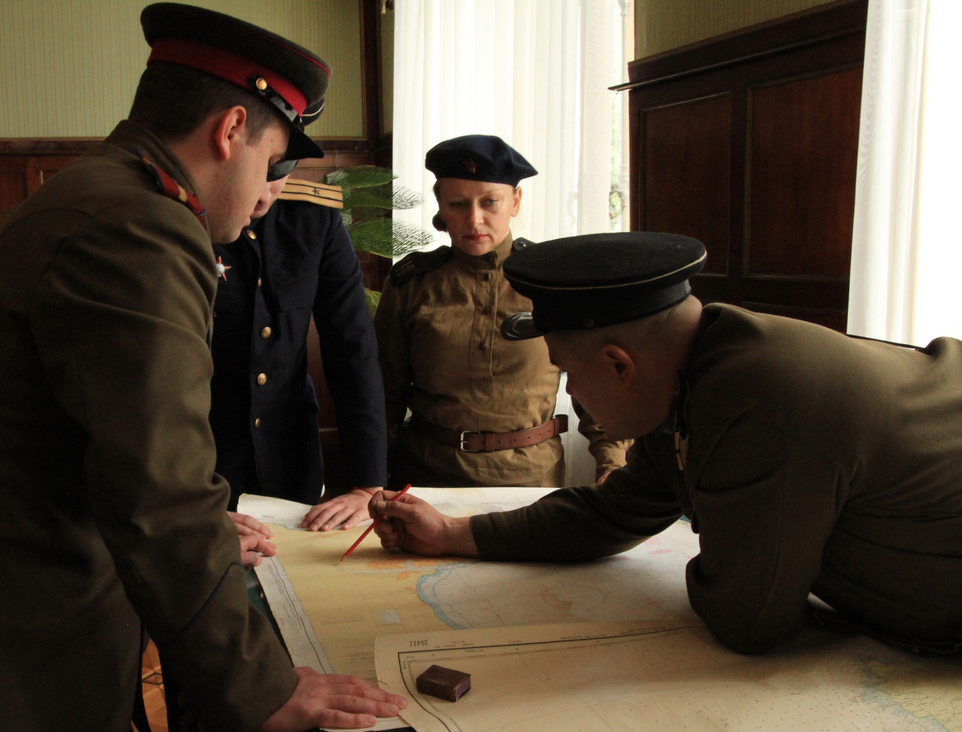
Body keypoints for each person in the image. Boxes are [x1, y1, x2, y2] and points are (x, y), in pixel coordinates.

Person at [0, 5, 404, 732]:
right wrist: (262, 686)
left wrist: (184, 516)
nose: (268, 193)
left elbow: (76, 444)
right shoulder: (141, 227)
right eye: (271, 161)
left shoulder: (99, 192)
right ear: (232, 129)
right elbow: (158, 488)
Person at [368, 231, 962, 657]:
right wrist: (452, 534)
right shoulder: (702, 370)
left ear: (619, 364)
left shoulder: (759, 399)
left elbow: (749, 619)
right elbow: (615, 510)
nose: (572, 393)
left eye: (568, 373)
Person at [373, 134, 628, 489]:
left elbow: (597, 387)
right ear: (440, 206)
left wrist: (612, 465)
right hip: (427, 477)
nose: (474, 220)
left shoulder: (554, 282)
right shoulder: (413, 284)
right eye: (458, 204)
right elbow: (385, 391)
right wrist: (368, 479)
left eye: (490, 202)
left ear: (515, 201)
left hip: (529, 479)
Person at [211, 134, 385, 532]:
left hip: (290, 459)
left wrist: (367, 484)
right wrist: (182, 502)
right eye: (257, 176)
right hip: (205, 464)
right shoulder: (185, 218)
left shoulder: (313, 216)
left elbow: (352, 346)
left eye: (278, 177)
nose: (263, 196)